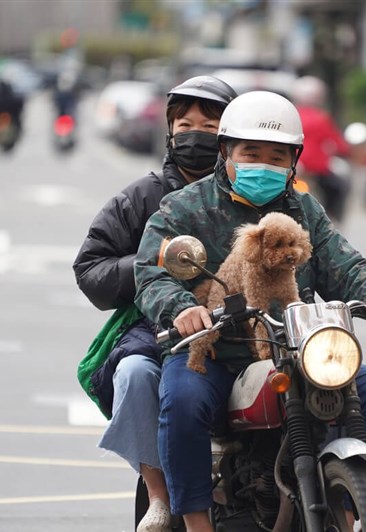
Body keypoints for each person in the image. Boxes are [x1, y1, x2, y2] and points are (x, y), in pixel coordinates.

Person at [133, 90, 366, 532]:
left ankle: (354, 510)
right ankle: (195, 522)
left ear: (293, 162)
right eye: (252, 152)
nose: (264, 165)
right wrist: (181, 309)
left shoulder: (303, 209)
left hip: (295, 349)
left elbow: (344, 264)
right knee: (183, 401)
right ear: (226, 151)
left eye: (277, 156)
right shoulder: (183, 207)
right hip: (216, 353)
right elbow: (151, 275)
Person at [73, 75, 238, 532]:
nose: (195, 134)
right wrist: (156, 263)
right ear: (169, 131)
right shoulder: (143, 198)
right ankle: (160, 497)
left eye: (210, 125)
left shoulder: (261, 195)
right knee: (134, 371)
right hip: (162, 333)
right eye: (185, 124)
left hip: (245, 332)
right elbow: (90, 270)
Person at [290, 75, 351, 223]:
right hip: (317, 171)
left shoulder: (291, 115)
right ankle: (332, 217)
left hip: (291, 167)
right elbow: (339, 144)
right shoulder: (322, 118)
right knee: (338, 187)